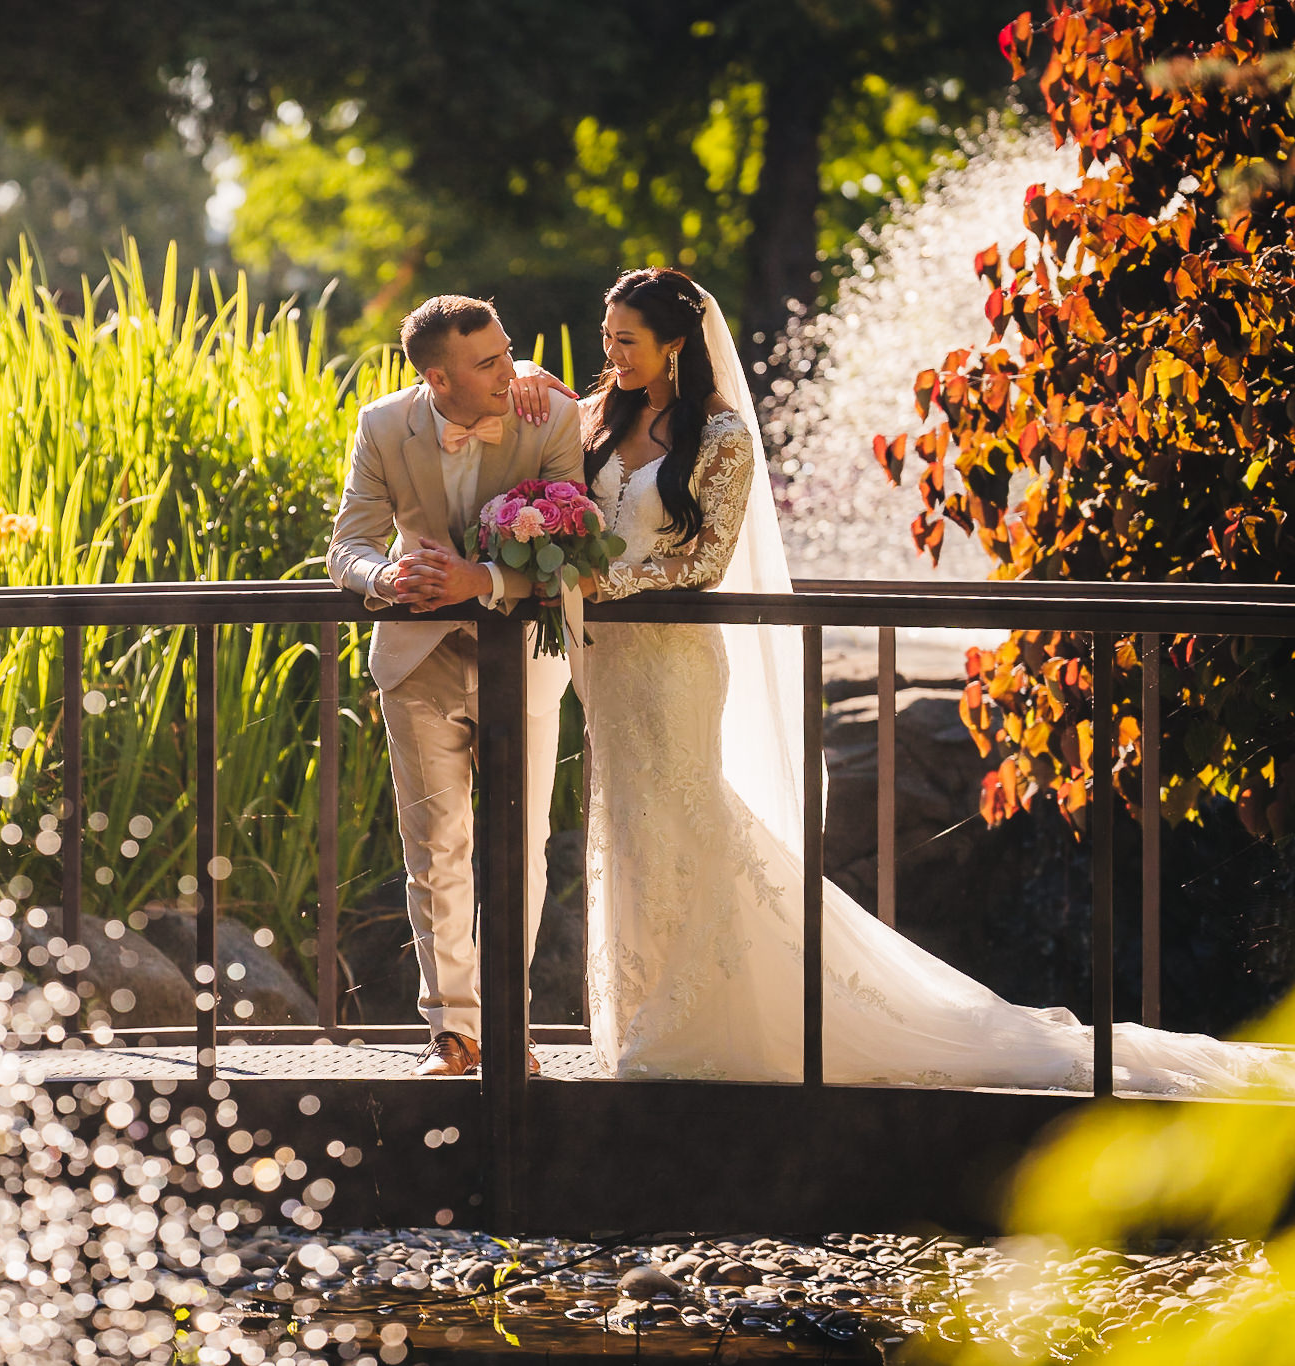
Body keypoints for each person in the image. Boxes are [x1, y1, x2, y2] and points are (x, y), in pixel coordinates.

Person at [509, 266, 1286, 1094]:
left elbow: (702, 560)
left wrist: (601, 584)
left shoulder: (723, 437)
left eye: (627, 340)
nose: (612, 353)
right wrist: (524, 379)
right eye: (606, 339)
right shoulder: (597, 416)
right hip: (609, 669)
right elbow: (540, 431)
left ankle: (702, 1020)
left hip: (674, 666)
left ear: (675, 345)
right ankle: (644, 1014)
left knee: (683, 813)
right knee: (626, 826)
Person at [326, 295, 581, 1077]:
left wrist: (485, 579)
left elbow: (578, 554)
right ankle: (452, 1033)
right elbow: (347, 548)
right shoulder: (381, 424)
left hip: (524, 658)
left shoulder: (548, 416)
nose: (509, 369)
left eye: (511, 352)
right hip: (417, 658)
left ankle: (511, 1027)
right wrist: (390, 578)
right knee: (435, 849)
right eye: (488, 361)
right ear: (437, 378)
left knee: (521, 848)